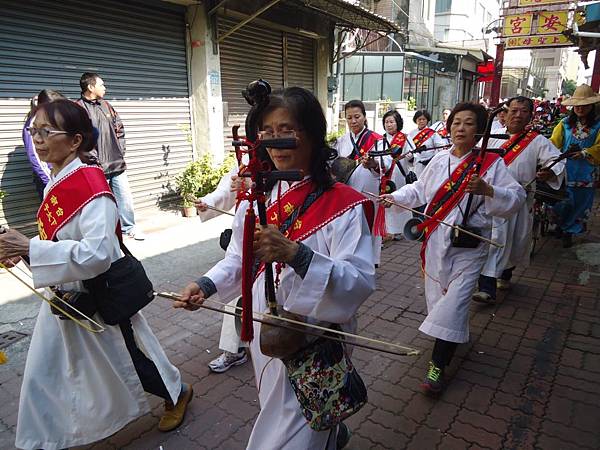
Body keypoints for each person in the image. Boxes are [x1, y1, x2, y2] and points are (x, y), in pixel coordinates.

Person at [174, 87, 376, 449]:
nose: (276, 141)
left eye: (287, 129)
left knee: (287, 432)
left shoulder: (343, 203)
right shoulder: (258, 199)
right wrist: (204, 285)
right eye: (265, 132)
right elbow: (238, 258)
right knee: (290, 412)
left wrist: (297, 255)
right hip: (266, 333)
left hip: (315, 337)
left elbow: (359, 281)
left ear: (312, 133)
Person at [0, 100, 192, 450]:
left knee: (131, 355)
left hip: (99, 294)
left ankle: (176, 392)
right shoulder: (56, 182)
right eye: (33, 131)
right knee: (48, 367)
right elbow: (57, 241)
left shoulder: (91, 186)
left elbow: (98, 253)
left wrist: (30, 249)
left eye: (46, 131)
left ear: (75, 141)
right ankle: (46, 436)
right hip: (68, 294)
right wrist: (24, 255)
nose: (38, 139)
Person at [381, 102, 525, 395]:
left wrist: (488, 190)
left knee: (455, 301)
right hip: (436, 242)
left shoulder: (491, 164)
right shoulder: (438, 161)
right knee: (440, 298)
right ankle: (450, 335)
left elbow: (517, 197)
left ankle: (438, 366)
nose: (461, 128)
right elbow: (419, 189)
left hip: (470, 245)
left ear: (479, 130)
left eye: (469, 123)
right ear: (449, 128)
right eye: (456, 122)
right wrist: (394, 196)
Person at [473, 96, 565, 303]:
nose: (517, 115)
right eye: (513, 110)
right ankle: (487, 287)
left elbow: (555, 160)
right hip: (489, 196)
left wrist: (548, 172)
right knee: (492, 240)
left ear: (530, 115)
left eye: (523, 111)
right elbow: (474, 156)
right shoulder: (492, 137)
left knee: (514, 240)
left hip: (518, 199)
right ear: (504, 114)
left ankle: (504, 274)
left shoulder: (537, 141)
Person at [76, 72, 145, 240]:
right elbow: (79, 139)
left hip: (116, 163)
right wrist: (93, 160)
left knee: (125, 199)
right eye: (101, 85)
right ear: (91, 87)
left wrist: (120, 151)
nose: (104, 88)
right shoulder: (78, 109)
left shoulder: (106, 105)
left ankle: (129, 228)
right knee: (102, 204)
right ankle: (106, 234)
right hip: (96, 167)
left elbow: (119, 129)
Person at [332, 100, 382, 264]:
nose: (353, 121)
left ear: (364, 117)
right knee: (349, 222)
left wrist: (373, 164)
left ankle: (370, 261)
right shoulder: (341, 141)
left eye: (357, 117)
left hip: (368, 187)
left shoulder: (376, 139)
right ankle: (350, 258)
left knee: (368, 221)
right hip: (347, 189)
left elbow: (385, 164)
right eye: (349, 118)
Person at [550, 84, 600, 247]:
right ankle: (560, 224)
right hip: (564, 169)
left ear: (591, 106)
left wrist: (585, 153)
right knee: (560, 200)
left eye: (584, 105)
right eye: (577, 105)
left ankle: (569, 231)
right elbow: (553, 143)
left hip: (587, 171)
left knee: (581, 202)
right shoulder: (564, 123)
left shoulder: (598, 125)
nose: (580, 108)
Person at [373, 110, 412, 240]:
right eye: (386, 122)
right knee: (386, 201)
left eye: (391, 122)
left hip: (399, 174)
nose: (389, 125)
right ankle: (388, 229)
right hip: (385, 176)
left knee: (399, 200)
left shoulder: (405, 138)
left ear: (398, 123)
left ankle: (400, 229)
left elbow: (413, 155)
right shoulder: (380, 140)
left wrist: (411, 156)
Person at [22, 89, 65, 200]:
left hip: (61, 175)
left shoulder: (50, 119)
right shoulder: (33, 124)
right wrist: (51, 182)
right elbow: (35, 157)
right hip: (50, 179)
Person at [406, 110, 446, 178]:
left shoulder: (432, 133)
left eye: (424, 119)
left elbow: (441, 147)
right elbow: (408, 149)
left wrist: (433, 158)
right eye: (419, 119)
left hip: (430, 164)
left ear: (427, 120)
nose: (421, 121)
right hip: (417, 164)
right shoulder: (411, 133)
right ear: (416, 120)